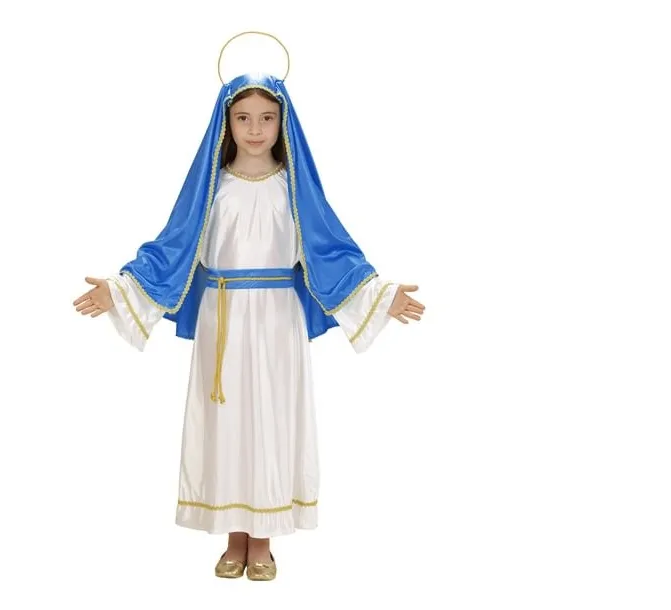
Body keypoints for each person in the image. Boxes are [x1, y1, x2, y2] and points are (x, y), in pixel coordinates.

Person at [73, 71, 425, 581]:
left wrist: (381, 296)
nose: (255, 129)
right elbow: (171, 248)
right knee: (227, 424)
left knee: (270, 421)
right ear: (226, 123)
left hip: (277, 321)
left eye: (266, 118)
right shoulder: (210, 190)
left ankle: (261, 540)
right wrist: (120, 288)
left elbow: (332, 252)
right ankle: (232, 536)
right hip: (222, 320)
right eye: (243, 118)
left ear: (283, 123)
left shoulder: (295, 190)